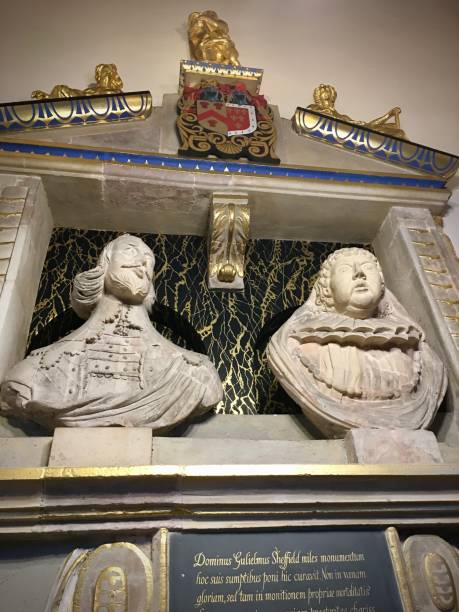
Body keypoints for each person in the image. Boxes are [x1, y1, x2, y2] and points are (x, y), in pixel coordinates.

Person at [0, 235, 222, 430]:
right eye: (129, 251)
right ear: (104, 265)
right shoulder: (33, 372)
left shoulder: (195, 373)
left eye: (149, 259)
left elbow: (208, 390)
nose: (143, 261)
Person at [267, 248, 446, 437]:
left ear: (382, 283)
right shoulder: (298, 343)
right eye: (345, 270)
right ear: (327, 288)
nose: (359, 273)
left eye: (368, 268)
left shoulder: (414, 344)